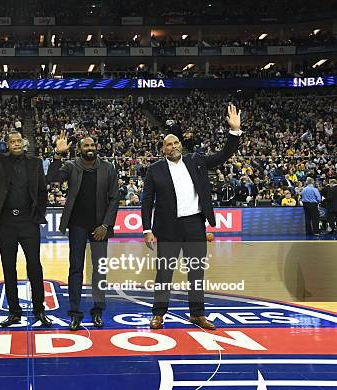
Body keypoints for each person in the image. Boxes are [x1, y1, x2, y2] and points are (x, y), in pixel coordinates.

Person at [142, 104, 243, 331]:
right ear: (163, 149)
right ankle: (158, 314)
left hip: (195, 224)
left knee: (196, 272)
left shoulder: (195, 161)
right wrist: (146, 229)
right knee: (164, 273)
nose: (174, 146)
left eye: (176, 142)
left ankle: (197, 314)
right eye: (169, 144)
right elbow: (147, 201)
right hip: (167, 228)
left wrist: (234, 131)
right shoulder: (155, 169)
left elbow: (223, 155)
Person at [0, 127, 52, 328]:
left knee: (34, 266)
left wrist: (38, 215)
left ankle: (39, 310)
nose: (17, 144)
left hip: (28, 221)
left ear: (24, 143)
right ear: (8, 145)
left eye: (19, 141)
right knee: (8, 268)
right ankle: (14, 312)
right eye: (13, 142)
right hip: (5, 223)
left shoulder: (35, 163)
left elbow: (42, 191)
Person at [47, 132, 120, 331]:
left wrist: (105, 225)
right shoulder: (71, 166)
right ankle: (75, 313)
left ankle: (98, 311)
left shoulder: (108, 168)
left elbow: (114, 198)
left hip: (100, 228)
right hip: (78, 225)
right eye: (86, 146)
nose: (90, 148)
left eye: (92, 145)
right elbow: (52, 179)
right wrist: (57, 155)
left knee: (99, 270)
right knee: (75, 268)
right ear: (79, 149)